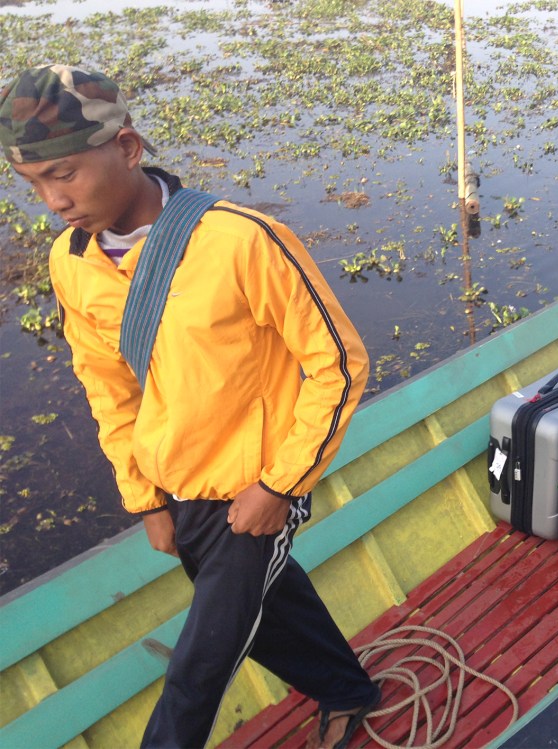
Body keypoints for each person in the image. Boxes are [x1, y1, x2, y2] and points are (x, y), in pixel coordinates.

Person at [0, 64, 380, 749]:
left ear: (127, 147)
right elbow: (107, 388)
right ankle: (349, 690)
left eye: (65, 174)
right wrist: (145, 498)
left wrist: (280, 485)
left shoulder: (240, 241)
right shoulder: (72, 262)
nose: (53, 200)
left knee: (196, 673)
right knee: (267, 612)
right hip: (177, 486)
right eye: (34, 184)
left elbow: (340, 364)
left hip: (254, 485)